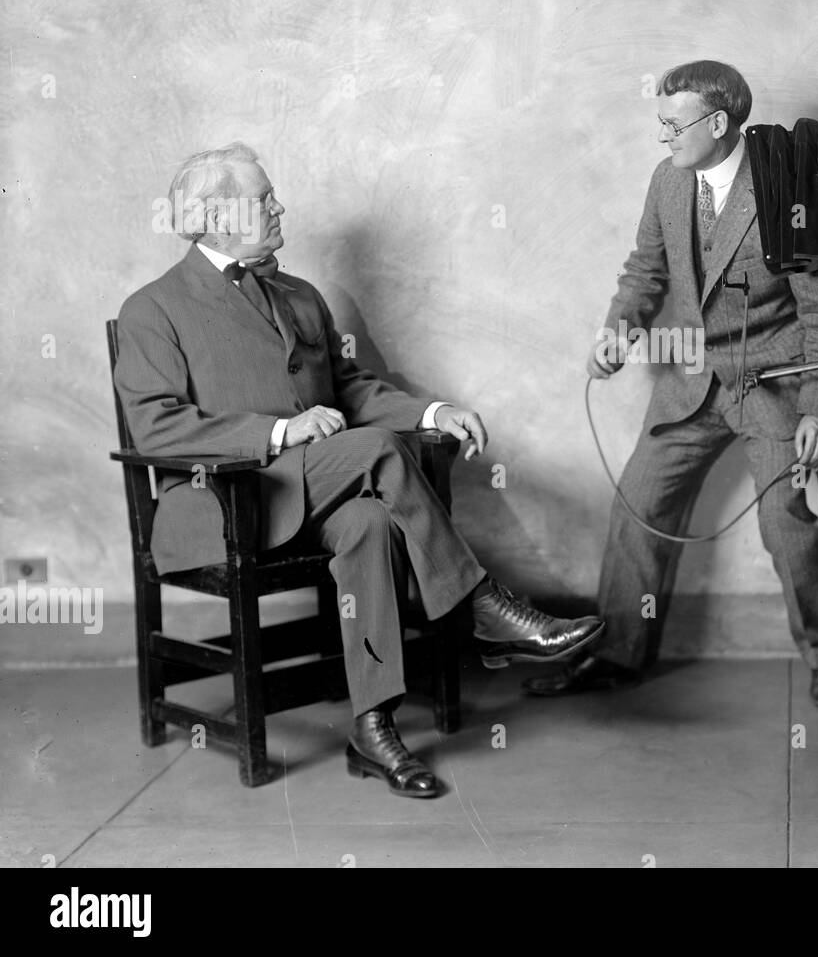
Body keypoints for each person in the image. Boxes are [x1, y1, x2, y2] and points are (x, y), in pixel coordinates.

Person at [113, 143, 604, 798]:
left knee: (371, 520)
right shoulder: (156, 308)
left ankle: (372, 728)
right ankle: (481, 606)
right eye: (263, 199)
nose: (278, 206)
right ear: (216, 215)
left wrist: (433, 411)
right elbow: (157, 426)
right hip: (224, 503)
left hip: (317, 490)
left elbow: (351, 390)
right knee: (376, 450)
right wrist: (282, 430)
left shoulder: (299, 295)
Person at [523, 61, 818, 708]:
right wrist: (619, 328)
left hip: (772, 383)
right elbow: (646, 269)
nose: (663, 138)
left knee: (784, 520)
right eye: (661, 124)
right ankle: (618, 653)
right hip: (689, 383)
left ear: (719, 122)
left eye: (673, 125)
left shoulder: (786, 190)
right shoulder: (668, 182)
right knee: (639, 503)